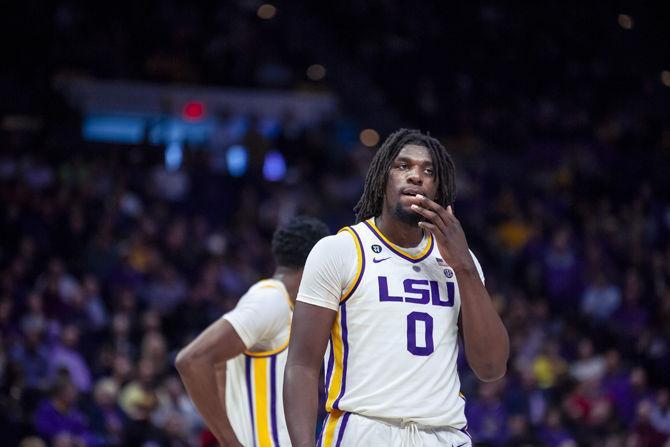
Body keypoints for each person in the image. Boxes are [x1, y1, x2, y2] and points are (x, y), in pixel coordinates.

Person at [284, 129, 509, 447]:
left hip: (445, 434)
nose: (416, 176)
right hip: (365, 429)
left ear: (438, 187)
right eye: (403, 166)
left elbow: (491, 368)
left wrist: (465, 268)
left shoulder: (461, 260)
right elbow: (302, 365)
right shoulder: (340, 250)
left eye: (428, 171)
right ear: (382, 179)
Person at [176, 216, 330, 446]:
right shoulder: (269, 300)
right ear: (316, 263)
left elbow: (219, 366)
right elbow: (192, 360)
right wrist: (230, 441)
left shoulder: (288, 307)